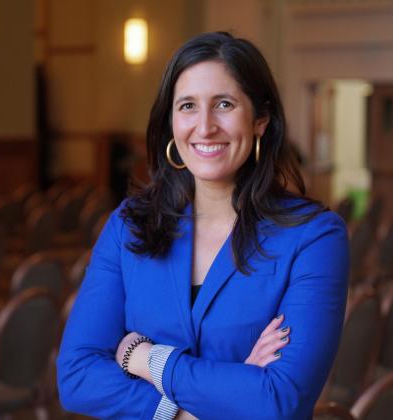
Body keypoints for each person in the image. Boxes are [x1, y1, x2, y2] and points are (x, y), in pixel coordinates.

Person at [57, 32, 349, 420]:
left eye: (224, 104)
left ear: (260, 119)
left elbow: (279, 400)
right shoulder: (129, 226)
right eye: (188, 106)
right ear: (171, 122)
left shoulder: (314, 237)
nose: (205, 126)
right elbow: (76, 378)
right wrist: (184, 413)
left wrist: (146, 358)